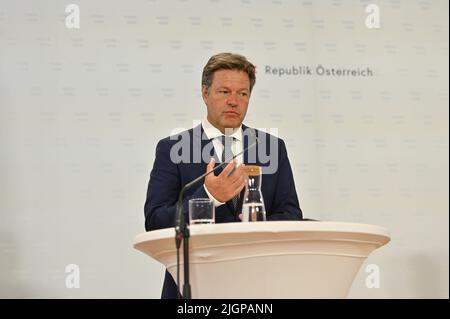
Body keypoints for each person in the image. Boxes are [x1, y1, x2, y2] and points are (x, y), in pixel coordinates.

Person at [144, 52, 303, 299]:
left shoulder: (271, 147)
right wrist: (208, 196)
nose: (234, 101)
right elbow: (155, 221)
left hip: (259, 285)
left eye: (242, 93)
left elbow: (291, 214)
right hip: (194, 287)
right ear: (205, 93)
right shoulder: (173, 148)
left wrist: (258, 226)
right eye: (224, 92)